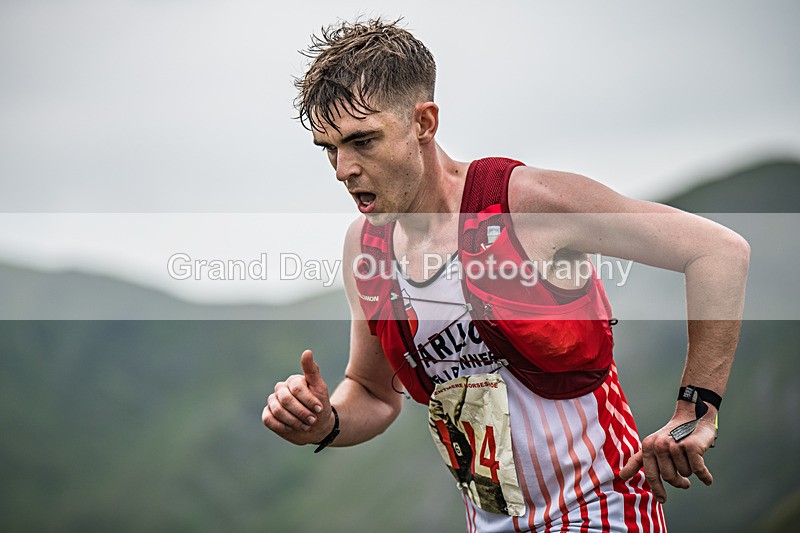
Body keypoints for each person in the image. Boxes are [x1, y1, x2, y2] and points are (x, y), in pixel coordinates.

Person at [262, 18, 750, 532]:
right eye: (329, 148)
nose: (343, 169)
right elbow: (373, 391)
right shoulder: (365, 248)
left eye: (363, 141)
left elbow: (717, 252)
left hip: (601, 509)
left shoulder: (525, 204)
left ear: (424, 122)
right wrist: (325, 421)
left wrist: (695, 412)